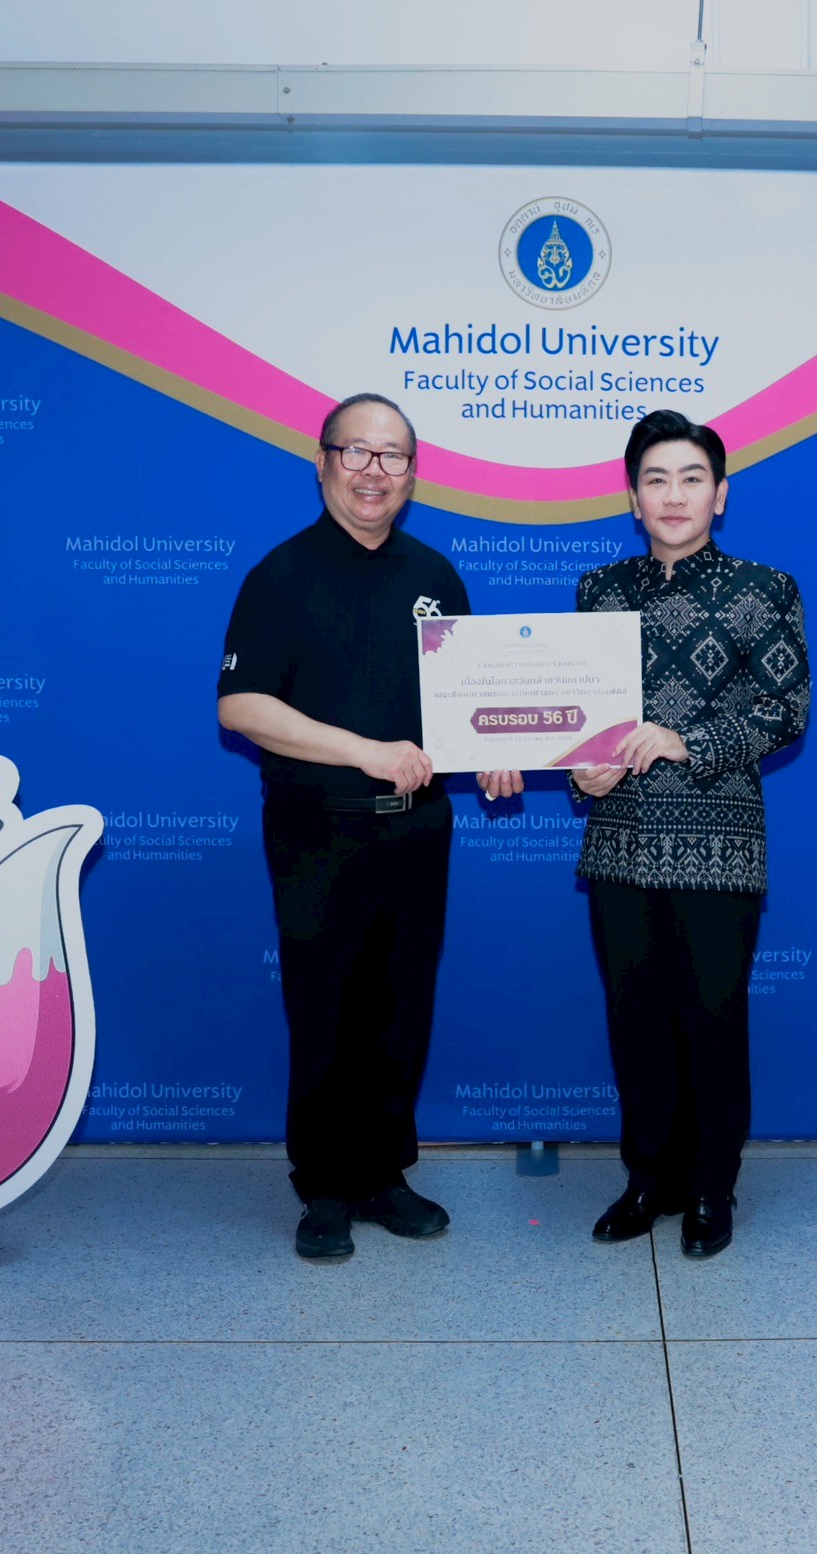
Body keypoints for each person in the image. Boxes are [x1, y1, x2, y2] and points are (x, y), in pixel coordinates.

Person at [217, 394, 518, 1261]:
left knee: (400, 1006)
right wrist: (363, 752)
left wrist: (492, 751)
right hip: (316, 828)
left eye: (392, 457)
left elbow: (463, 710)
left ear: (413, 474)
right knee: (323, 1008)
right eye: (356, 452)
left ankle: (385, 1174)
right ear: (323, 463)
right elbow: (240, 706)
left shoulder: (436, 577)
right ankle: (322, 1187)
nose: (373, 471)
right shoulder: (280, 576)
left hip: (417, 830)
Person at [572, 410, 810, 1258]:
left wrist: (688, 741)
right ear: (633, 499)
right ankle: (649, 1178)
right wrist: (582, 771)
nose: (673, 496)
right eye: (656, 480)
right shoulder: (599, 591)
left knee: (712, 1018)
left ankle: (711, 1187)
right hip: (619, 841)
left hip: (719, 842)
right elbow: (582, 718)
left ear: (721, 495)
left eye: (691, 479)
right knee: (634, 1020)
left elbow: (787, 711)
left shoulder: (765, 589)